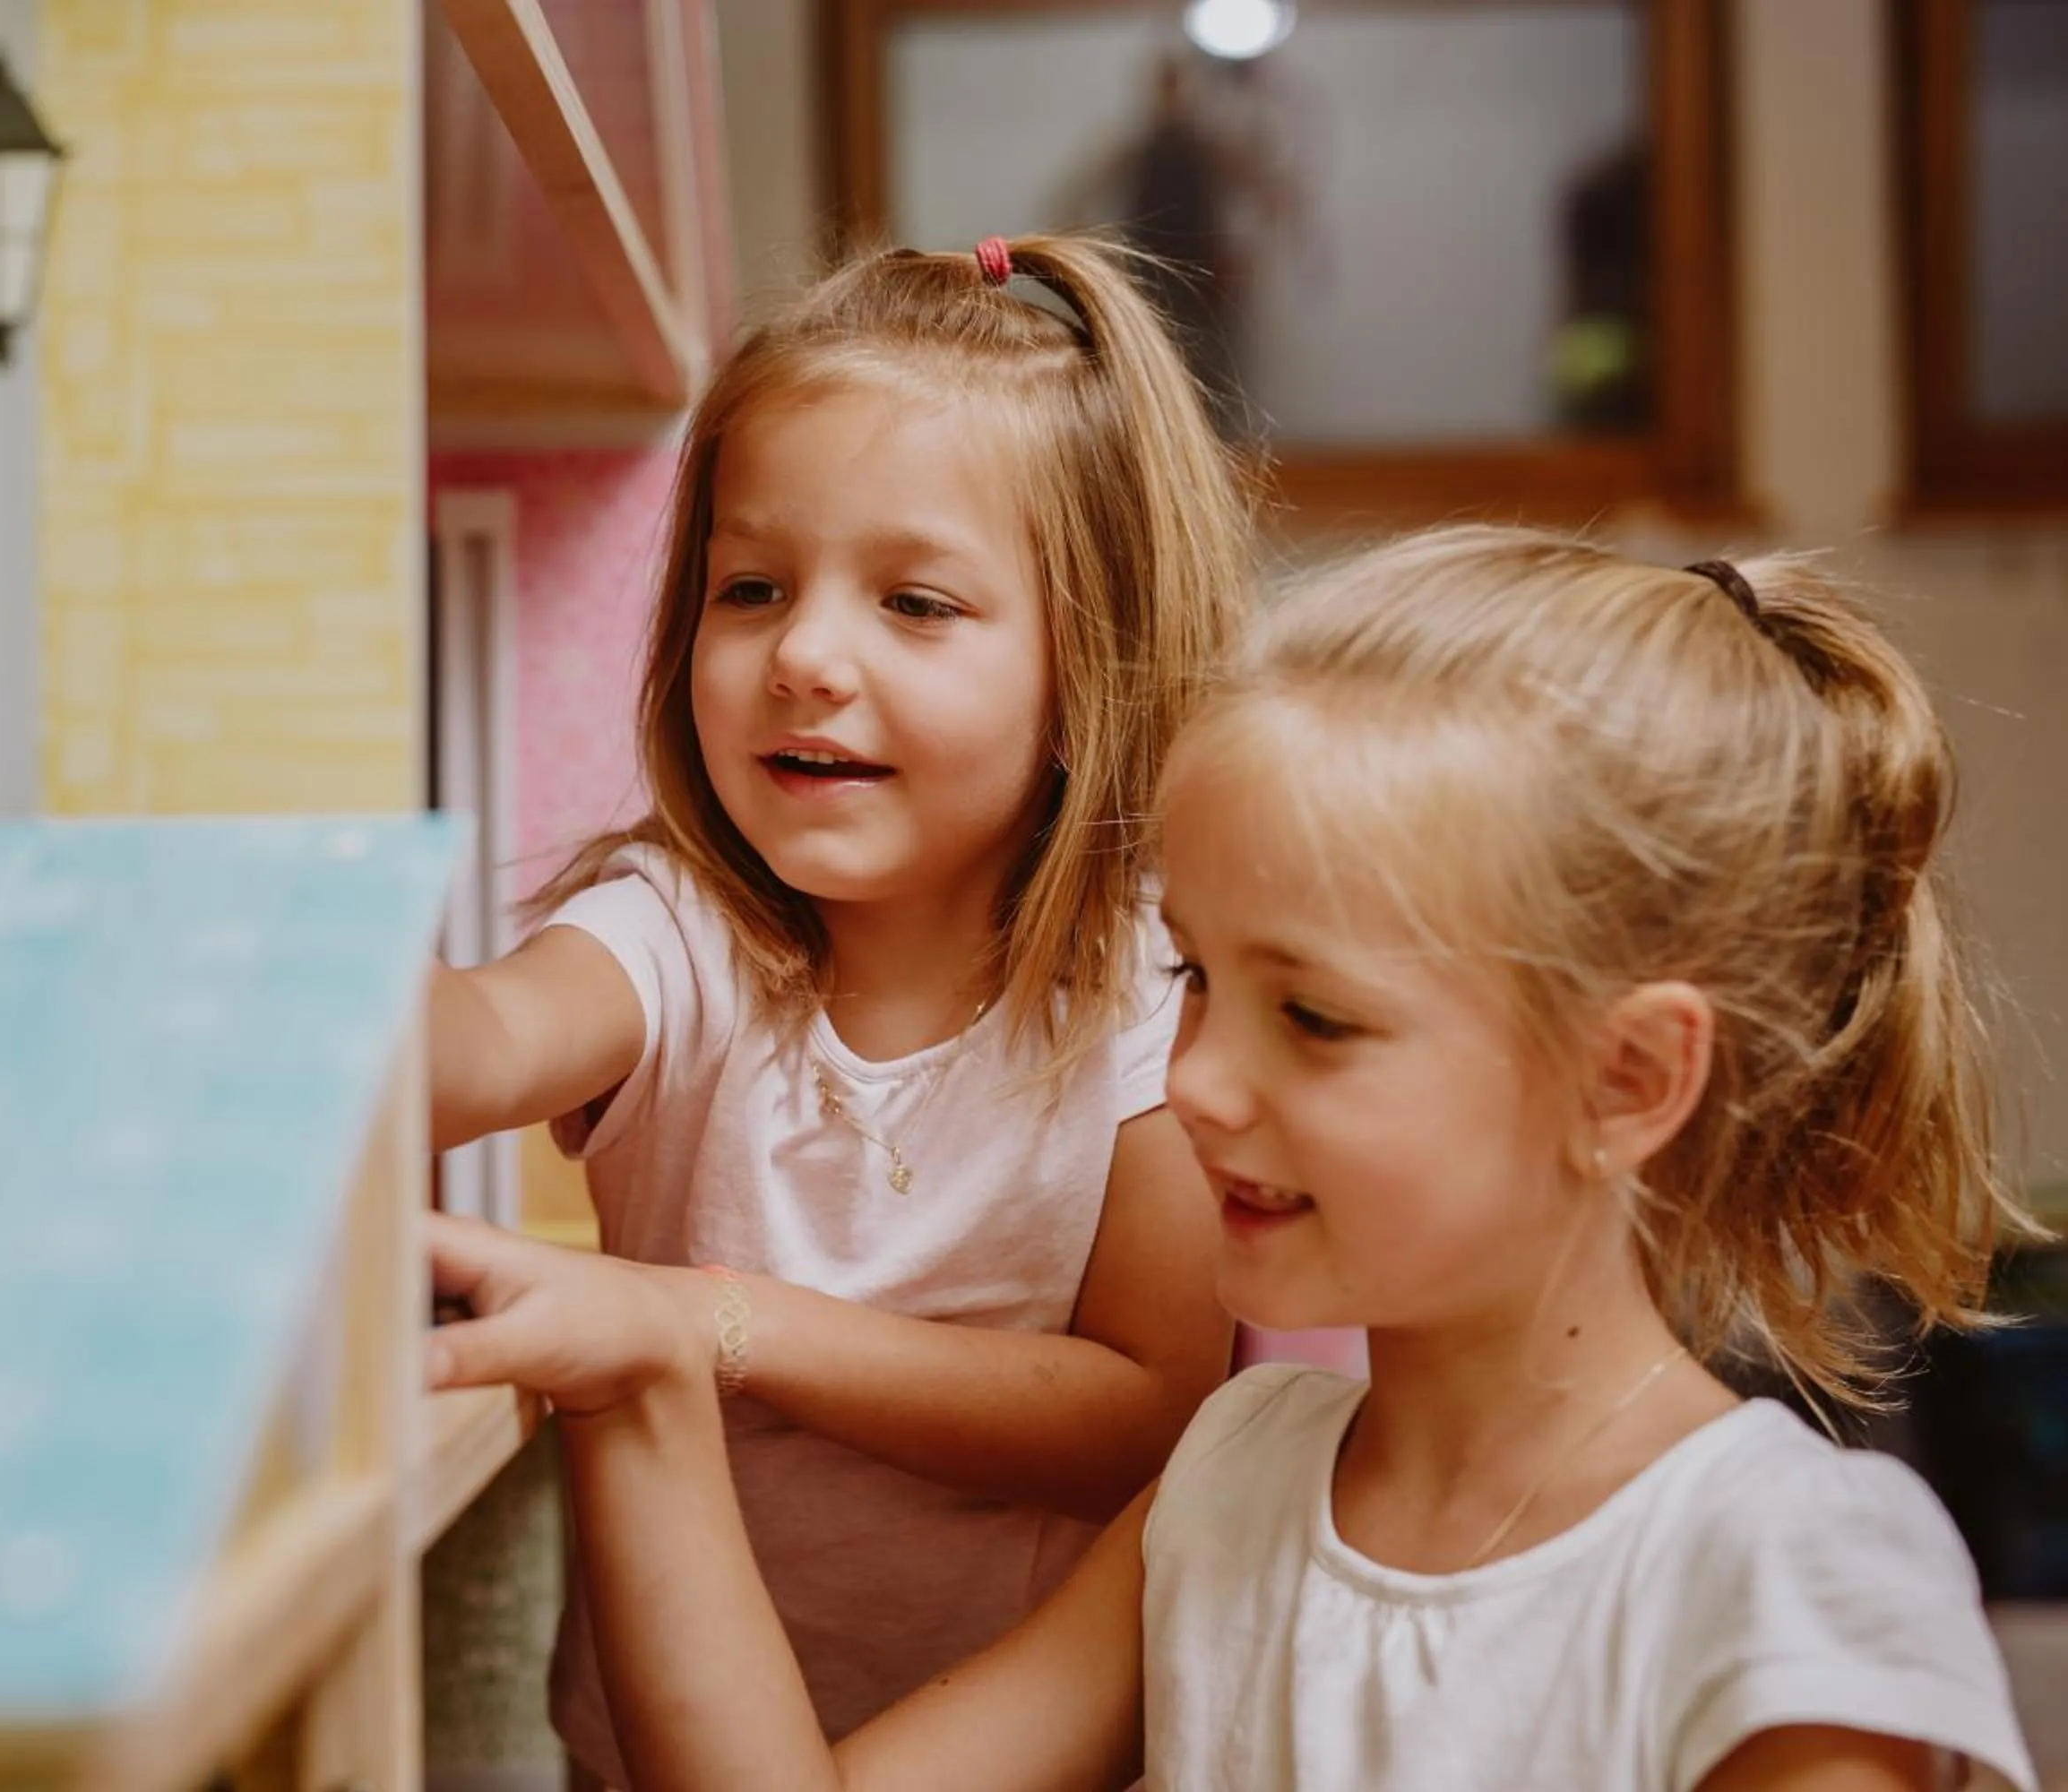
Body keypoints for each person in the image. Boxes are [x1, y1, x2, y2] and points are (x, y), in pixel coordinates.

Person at [429, 527, 2041, 1791]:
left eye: (1318, 1021)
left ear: (1627, 1078)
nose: (1194, 1084)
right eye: (1195, 979)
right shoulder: (1233, 1481)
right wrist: (646, 1378)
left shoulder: (1795, 1583)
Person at [426, 233, 1254, 1787]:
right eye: (752, 588)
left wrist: (712, 1328)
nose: (803, 655)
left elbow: (1143, 1417)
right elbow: (482, 1041)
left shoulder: (1157, 992)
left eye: (917, 604)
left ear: (1092, 666)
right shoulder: (677, 932)